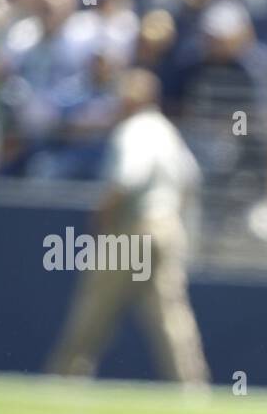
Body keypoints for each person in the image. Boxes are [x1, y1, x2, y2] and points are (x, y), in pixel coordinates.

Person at [46, 68, 209, 385]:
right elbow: (191, 181)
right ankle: (191, 386)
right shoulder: (167, 131)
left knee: (95, 309)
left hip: (134, 229)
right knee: (171, 315)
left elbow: (126, 179)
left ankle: (64, 378)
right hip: (168, 226)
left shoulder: (133, 130)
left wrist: (102, 217)